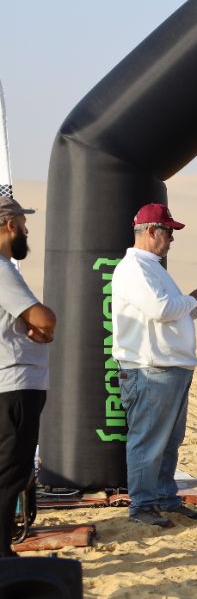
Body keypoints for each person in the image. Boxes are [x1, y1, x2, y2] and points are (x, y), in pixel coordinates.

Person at [112, 203, 197, 527]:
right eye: (169, 232)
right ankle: (143, 506)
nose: (171, 239)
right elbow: (160, 309)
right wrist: (194, 300)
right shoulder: (135, 268)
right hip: (151, 369)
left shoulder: (151, 267)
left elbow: (167, 311)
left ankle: (164, 498)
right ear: (151, 231)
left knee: (168, 442)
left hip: (168, 368)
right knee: (148, 442)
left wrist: (196, 306)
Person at [0, 197, 56, 556]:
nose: (26, 230)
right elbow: (45, 319)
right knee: (10, 476)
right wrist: (44, 327)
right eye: (23, 223)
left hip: (12, 385)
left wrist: (38, 328)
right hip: (14, 386)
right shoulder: (2, 269)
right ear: (9, 226)